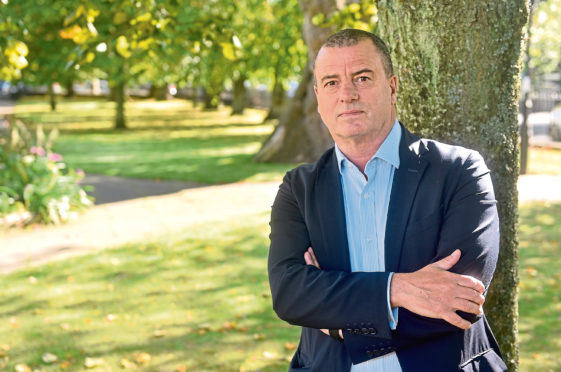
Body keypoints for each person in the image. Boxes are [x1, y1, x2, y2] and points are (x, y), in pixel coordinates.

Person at [267, 29, 507, 371]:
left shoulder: (459, 171)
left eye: (362, 77)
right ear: (319, 97)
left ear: (392, 86)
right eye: (332, 83)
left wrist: (335, 318)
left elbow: (458, 302)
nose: (347, 94)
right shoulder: (298, 189)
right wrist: (398, 289)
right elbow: (291, 293)